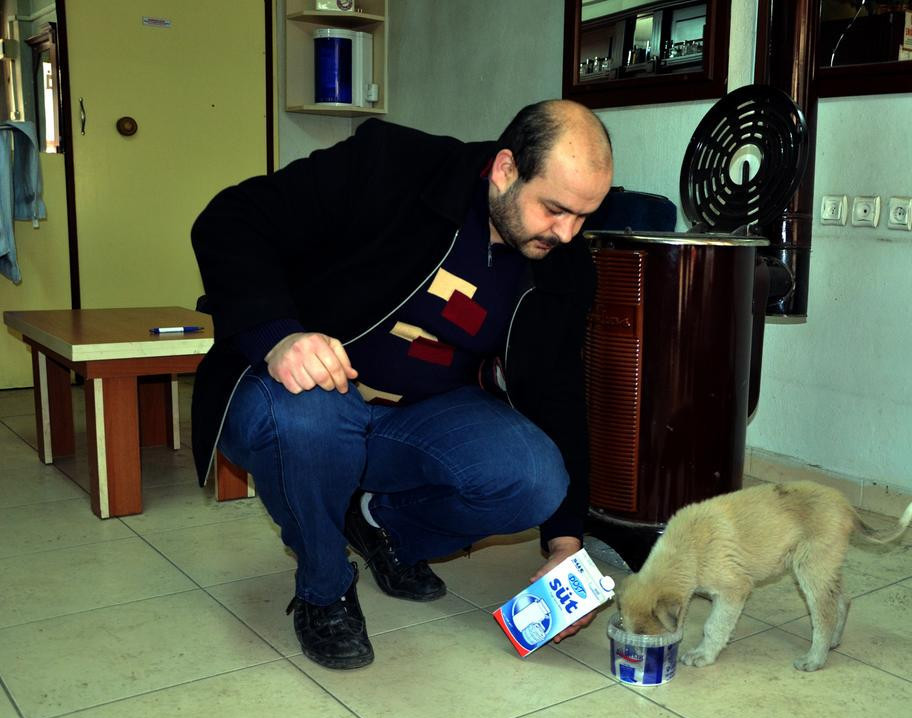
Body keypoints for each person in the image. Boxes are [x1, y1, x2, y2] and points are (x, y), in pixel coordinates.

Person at [189, 100, 613, 669]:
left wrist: (566, 542)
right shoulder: (393, 165)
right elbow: (231, 218)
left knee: (536, 478)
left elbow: (559, 393)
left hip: (415, 418)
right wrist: (279, 337)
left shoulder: (565, 264)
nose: (566, 233)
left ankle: (378, 523)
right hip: (303, 398)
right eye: (555, 209)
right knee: (311, 412)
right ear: (505, 168)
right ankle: (324, 585)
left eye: (584, 216)